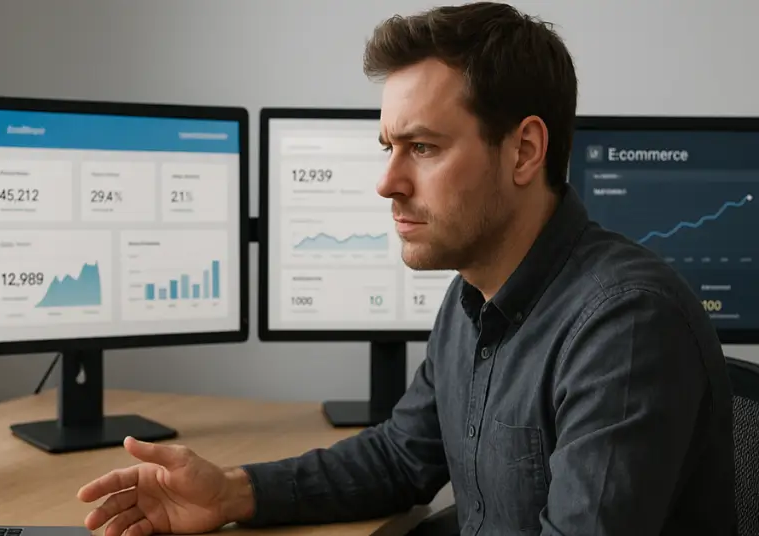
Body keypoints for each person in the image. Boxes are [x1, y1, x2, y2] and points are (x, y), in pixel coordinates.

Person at [76, 2, 737, 535]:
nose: (387, 182)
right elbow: (400, 456)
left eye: (423, 147)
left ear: (525, 151)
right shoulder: (473, 296)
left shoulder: (624, 325)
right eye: (388, 146)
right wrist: (230, 492)